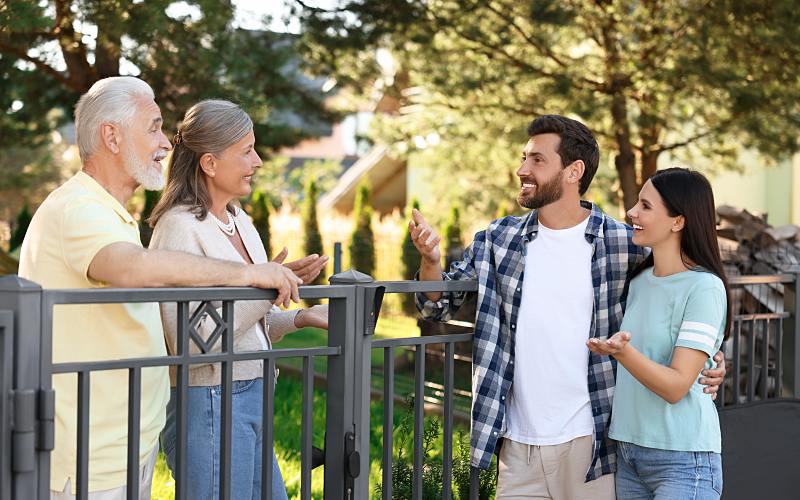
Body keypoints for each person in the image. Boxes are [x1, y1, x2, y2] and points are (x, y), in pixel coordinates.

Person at [18, 77, 311, 499]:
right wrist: (249, 276)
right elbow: (136, 270)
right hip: (87, 457)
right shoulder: (77, 208)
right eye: (154, 127)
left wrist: (293, 310)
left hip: (126, 445)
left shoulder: (110, 215)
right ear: (112, 136)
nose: (167, 142)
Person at [408, 115, 726, 499]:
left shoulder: (624, 244)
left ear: (574, 170)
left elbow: (681, 292)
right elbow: (436, 308)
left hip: (591, 443)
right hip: (517, 445)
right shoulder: (498, 240)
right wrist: (430, 259)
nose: (522, 169)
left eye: (537, 160)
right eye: (524, 158)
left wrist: (709, 357)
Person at [148, 99, 327, 500]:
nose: (258, 161)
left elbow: (245, 330)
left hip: (254, 392)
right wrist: (266, 289)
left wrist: (300, 317)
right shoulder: (178, 228)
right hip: (209, 400)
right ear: (209, 164)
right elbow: (194, 343)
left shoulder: (240, 221)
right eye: (246, 150)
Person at [587, 168, 729, 499]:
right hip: (628, 454)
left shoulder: (704, 288)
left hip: (681, 459)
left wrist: (623, 353)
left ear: (678, 222)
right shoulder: (638, 282)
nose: (632, 213)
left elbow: (678, 385)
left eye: (646, 206)